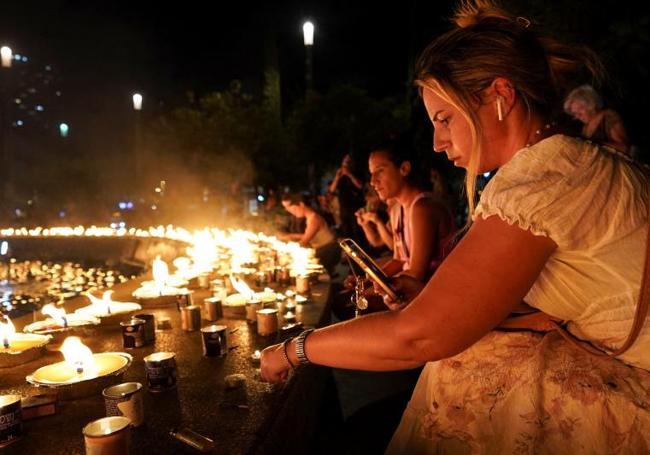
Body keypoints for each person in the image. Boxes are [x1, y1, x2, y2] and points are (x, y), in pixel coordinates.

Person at [261, 2, 650, 453]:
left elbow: (418, 336)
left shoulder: (541, 183)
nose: (437, 142)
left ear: (500, 95)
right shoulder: (571, 164)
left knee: (460, 373)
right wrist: (435, 299)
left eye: (444, 119)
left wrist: (295, 348)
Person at [279, 193, 340, 274]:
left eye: (291, 208)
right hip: (325, 249)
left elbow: (304, 241)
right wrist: (290, 236)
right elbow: (308, 234)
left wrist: (285, 249)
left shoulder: (314, 219)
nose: (290, 211)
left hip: (328, 251)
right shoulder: (310, 217)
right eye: (286, 208)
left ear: (301, 204)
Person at [564, 84, 631, 154]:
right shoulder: (586, 127)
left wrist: (595, 144)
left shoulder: (608, 117)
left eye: (580, 109)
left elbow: (624, 148)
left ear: (591, 103)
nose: (578, 116)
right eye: (575, 113)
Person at [328, 154, 365, 242]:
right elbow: (331, 190)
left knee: (357, 232)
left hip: (356, 207)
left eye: (348, 162)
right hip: (344, 208)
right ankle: (349, 252)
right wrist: (337, 178)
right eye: (344, 162)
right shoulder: (340, 177)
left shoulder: (357, 173)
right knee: (346, 232)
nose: (346, 164)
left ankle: (361, 250)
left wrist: (349, 174)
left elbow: (360, 186)